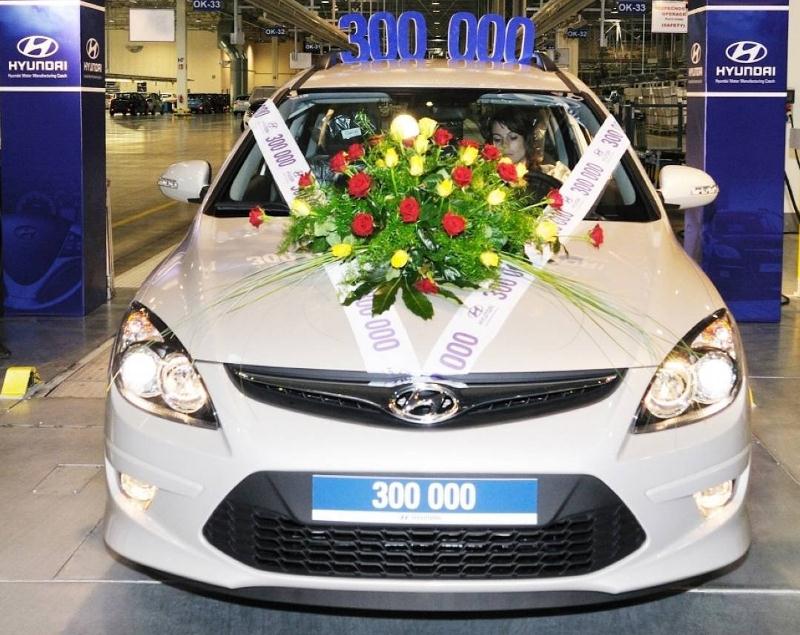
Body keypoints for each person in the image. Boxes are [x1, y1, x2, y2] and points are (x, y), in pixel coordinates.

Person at [483, 108, 568, 200]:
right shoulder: (484, 180)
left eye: (513, 137)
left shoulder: (554, 174)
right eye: (497, 139)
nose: (504, 145)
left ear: (527, 139)